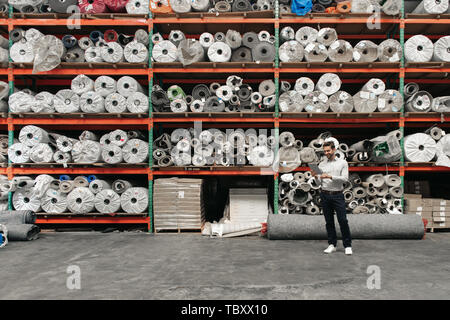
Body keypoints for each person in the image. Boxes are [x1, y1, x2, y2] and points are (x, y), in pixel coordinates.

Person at [311, 141, 353, 255]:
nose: (326, 153)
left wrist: (330, 176)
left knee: (343, 220)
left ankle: (347, 245)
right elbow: (319, 182)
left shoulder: (342, 163)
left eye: (328, 150)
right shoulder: (321, 165)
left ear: (334, 150)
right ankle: (332, 244)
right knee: (329, 222)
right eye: (324, 151)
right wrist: (315, 177)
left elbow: (345, 179)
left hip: (337, 195)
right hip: (325, 194)